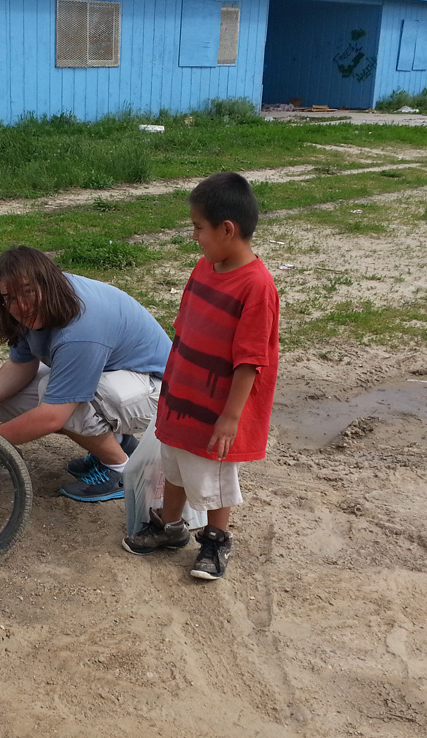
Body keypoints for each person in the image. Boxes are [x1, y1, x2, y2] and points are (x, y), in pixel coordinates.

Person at [122, 172, 279, 581]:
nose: (195, 236)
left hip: (216, 410)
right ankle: (170, 528)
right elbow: (185, 329)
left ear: (227, 229)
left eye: (198, 228)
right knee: (173, 464)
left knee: (213, 475)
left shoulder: (257, 286)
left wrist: (230, 417)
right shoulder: (205, 267)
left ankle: (215, 540)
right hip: (182, 398)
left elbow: (249, 360)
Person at [0, 246, 172, 502]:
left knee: (53, 394)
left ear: (47, 283)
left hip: (162, 392)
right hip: (120, 376)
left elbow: (52, 417)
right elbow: (21, 364)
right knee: (18, 399)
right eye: (9, 297)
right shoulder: (43, 303)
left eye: (28, 291)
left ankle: (121, 469)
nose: (20, 305)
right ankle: (118, 443)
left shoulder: (81, 327)